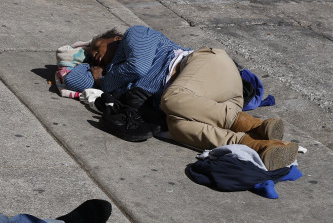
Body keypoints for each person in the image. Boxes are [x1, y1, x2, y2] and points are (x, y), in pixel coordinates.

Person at [62, 25, 298, 171]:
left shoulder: (135, 34)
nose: (95, 58)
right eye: (92, 60)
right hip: (208, 99)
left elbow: (138, 67)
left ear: (113, 39)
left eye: (97, 49)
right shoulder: (113, 73)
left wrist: (102, 78)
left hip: (209, 66)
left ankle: (255, 125)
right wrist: (87, 67)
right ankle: (257, 145)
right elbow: (75, 82)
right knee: (177, 126)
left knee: (171, 100)